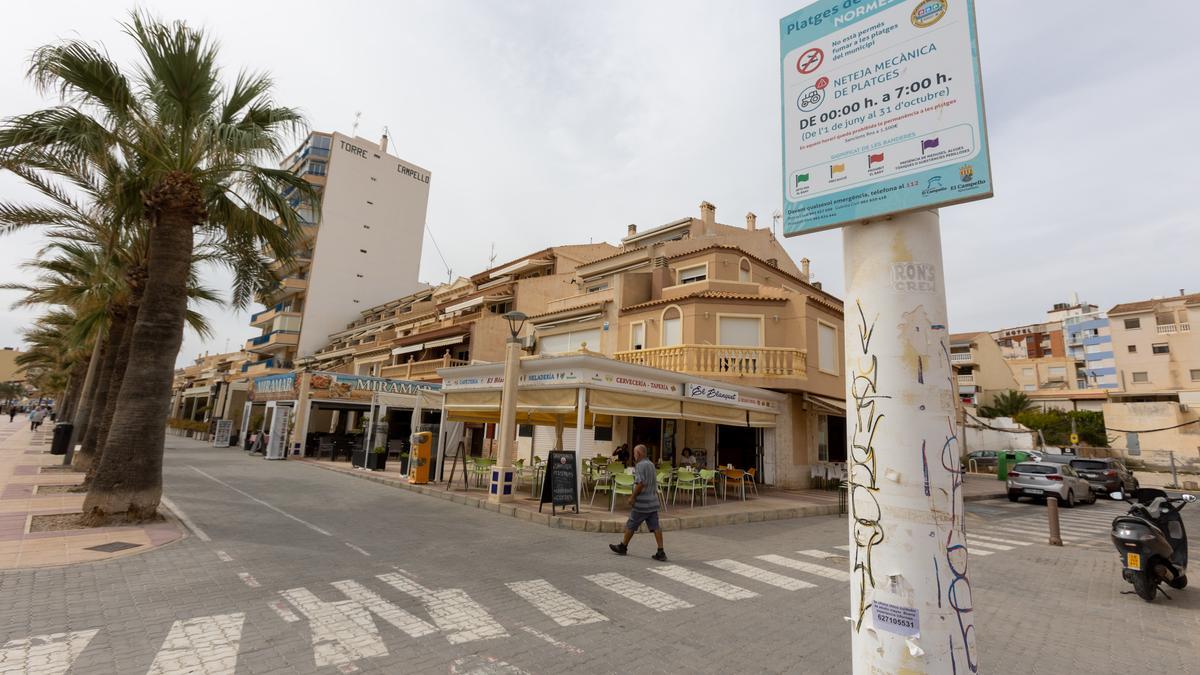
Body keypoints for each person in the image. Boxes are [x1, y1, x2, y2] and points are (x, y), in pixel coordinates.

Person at [609, 444, 667, 561]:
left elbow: (641, 483)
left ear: (639, 454)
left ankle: (623, 547)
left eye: (635, 453)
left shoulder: (640, 465)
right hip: (653, 502)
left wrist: (632, 497)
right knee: (656, 527)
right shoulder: (651, 464)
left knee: (631, 524)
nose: (634, 456)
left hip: (642, 503)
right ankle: (661, 551)